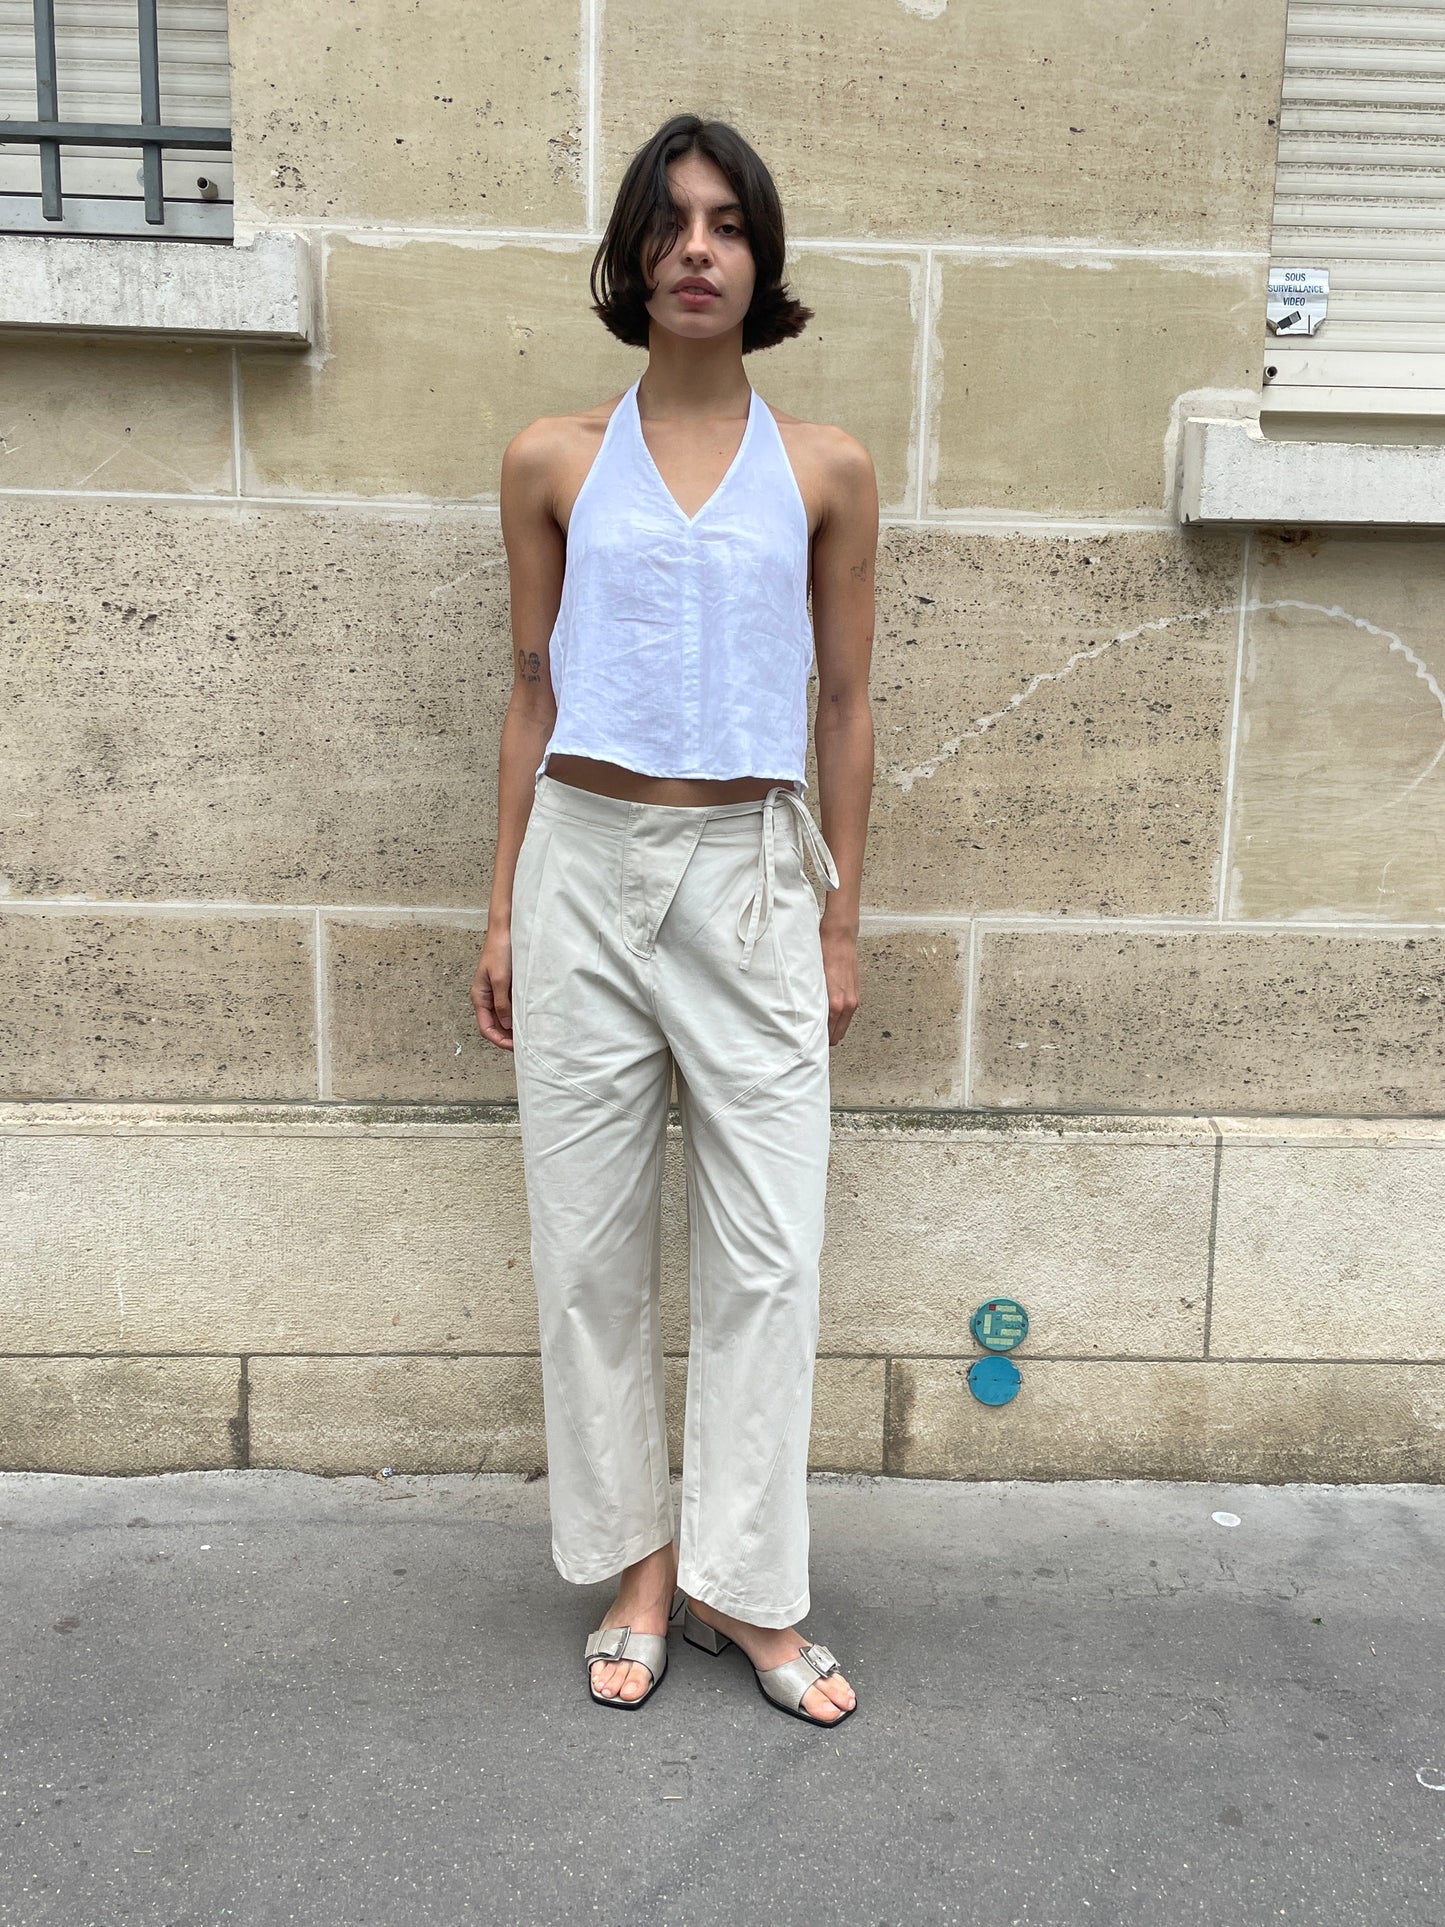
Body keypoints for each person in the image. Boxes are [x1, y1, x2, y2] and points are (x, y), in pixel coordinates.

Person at [471, 112, 877, 1728]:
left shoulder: (821, 467)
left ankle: (749, 1583)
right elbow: (527, 687)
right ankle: (639, 1568)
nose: (698, 247)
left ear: (760, 260)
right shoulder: (554, 457)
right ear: (635, 259)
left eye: (727, 224)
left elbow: (844, 700)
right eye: (671, 223)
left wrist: (839, 924)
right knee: (585, 1250)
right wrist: (499, 906)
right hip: (581, 858)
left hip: (757, 873)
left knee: (767, 1255)